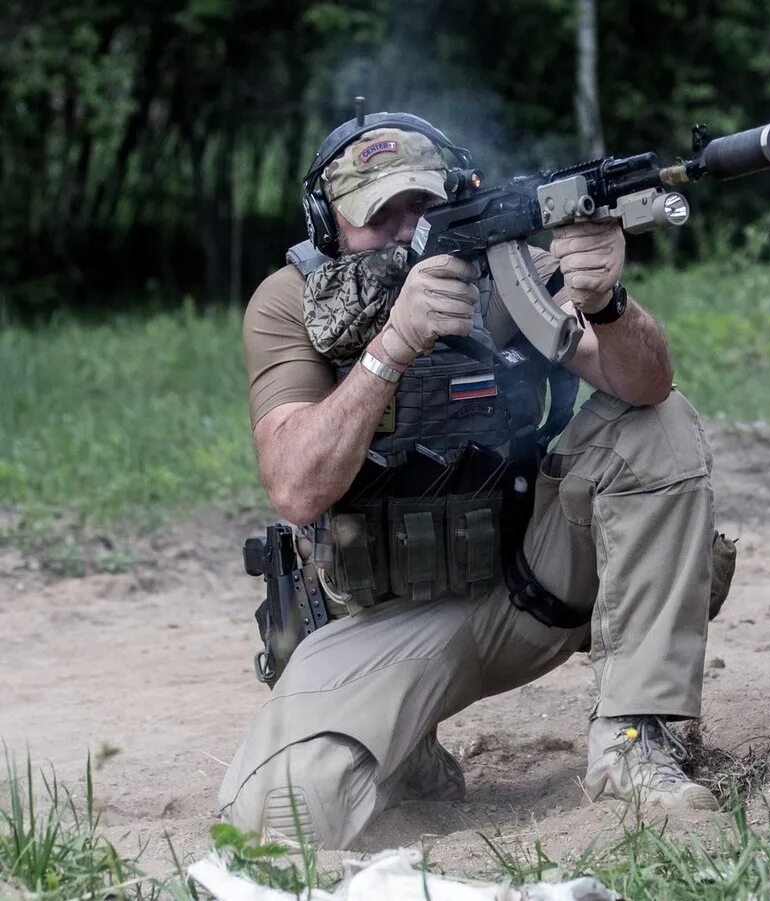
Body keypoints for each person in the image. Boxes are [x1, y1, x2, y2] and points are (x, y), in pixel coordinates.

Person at [217, 111, 735, 849]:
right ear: (329, 227)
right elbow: (296, 485)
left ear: (458, 195)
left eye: (421, 206)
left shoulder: (511, 267)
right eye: (377, 217)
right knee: (280, 821)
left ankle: (635, 743)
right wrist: (391, 347)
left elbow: (647, 384)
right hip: (386, 624)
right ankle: (408, 755)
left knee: (658, 426)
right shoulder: (289, 302)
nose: (404, 231)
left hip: (530, 584)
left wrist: (609, 302)